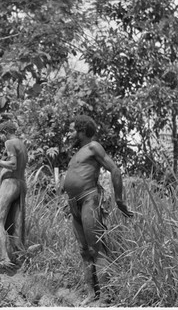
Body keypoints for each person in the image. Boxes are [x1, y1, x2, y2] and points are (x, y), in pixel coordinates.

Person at [62, 115, 133, 301]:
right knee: (84, 251)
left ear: (82, 131)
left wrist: (119, 200)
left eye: (72, 130)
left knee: (96, 249)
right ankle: (91, 294)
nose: (69, 134)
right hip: (74, 203)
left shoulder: (93, 147)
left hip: (89, 200)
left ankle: (106, 297)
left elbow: (115, 170)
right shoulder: (77, 152)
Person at [0, 121, 28, 264]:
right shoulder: (22, 144)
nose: (1, 139)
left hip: (10, 185)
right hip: (20, 183)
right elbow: (16, 168)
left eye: (0, 136)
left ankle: (4, 257)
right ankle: (21, 257)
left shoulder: (9, 142)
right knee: (15, 225)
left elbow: (12, 164)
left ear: (4, 133)